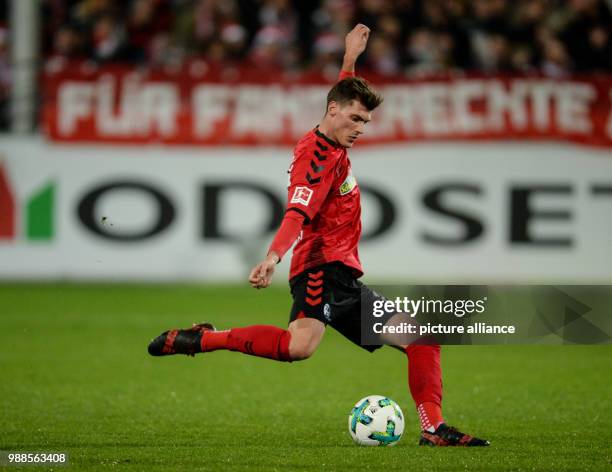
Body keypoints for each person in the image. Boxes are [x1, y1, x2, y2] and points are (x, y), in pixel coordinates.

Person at [148, 24, 489, 447]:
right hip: (321, 269)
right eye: (355, 118)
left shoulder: (331, 132)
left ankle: (203, 337)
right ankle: (208, 338)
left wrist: (350, 60)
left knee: (313, 346)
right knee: (349, 343)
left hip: (336, 274)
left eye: (366, 119)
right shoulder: (317, 159)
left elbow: (343, 93)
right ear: (332, 111)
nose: (361, 126)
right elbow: (296, 213)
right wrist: (272, 257)